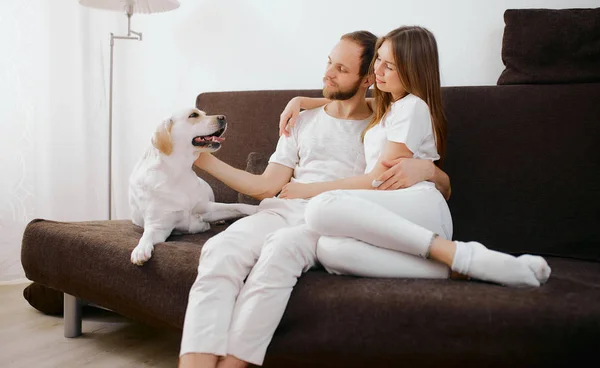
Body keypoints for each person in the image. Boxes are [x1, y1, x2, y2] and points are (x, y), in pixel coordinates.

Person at [179, 31, 445, 368]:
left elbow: (398, 164)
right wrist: (205, 161)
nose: (328, 74)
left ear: (367, 80)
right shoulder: (301, 121)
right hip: (281, 210)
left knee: (277, 256)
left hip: (327, 221)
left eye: (342, 69)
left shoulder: (385, 119)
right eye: (329, 63)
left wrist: (432, 172)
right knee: (220, 251)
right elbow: (264, 187)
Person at [278, 26, 552, 287]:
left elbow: (379, 179)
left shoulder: (412, 107)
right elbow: (348, 101)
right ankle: (462, 267)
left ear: (412, 70)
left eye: (390, 66)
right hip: (396, 211)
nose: (378, 71)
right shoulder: (391, 105)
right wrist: (302, 101)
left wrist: (307, 190)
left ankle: (457, 253)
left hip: (418, 207)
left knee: (320, 207)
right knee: (330, 250)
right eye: (378, 60)